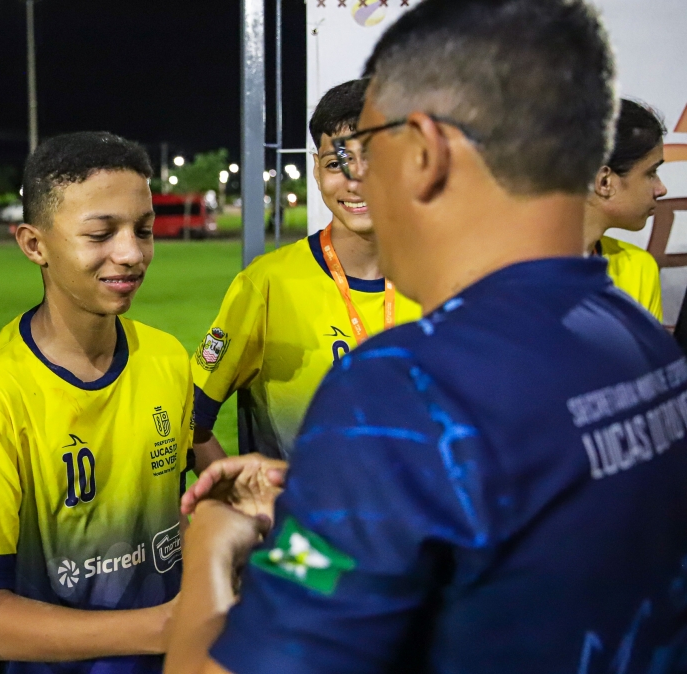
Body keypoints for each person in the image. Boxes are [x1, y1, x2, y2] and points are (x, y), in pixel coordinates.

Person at [166, 1, 687, 672]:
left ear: (426, 152)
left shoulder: (402, 391)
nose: (360, 182)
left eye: (371, 152)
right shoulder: (632, 330)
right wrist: (333, 495)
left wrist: (212, 540)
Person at [0, 132, 193, 673]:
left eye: (143, 230)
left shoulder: (166, 358)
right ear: (34, 244)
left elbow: (175, 516)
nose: (131, 254)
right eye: (100, 234)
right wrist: (162, 627)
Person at [191, 78, 421, 466]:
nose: (356, 181)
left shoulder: (452, 284)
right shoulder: (268, 285)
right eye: (337, 163)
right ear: (316, 170)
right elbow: (188, 421)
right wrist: (242, 496)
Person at [584, 98, 668, 321]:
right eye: (651, 173)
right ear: (604, 182)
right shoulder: (502, 271)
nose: (661, 189)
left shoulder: (639, 268)